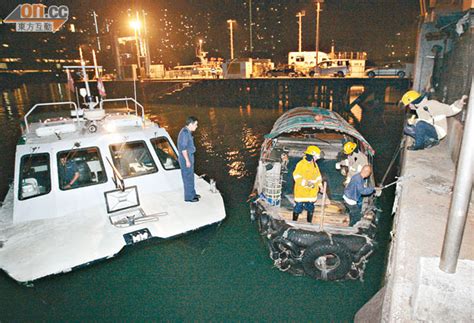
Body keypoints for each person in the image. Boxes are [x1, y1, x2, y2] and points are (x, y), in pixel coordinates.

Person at [401, 90, 467, 150]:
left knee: (420, 124)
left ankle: (419, 145)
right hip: (430, 129)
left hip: (438, 130)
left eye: (409, 104)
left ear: (414, 102)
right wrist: (413, 122)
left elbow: (450, 110)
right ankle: (429, 141)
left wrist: (459, 103)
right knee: (407, 129)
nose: (409, 106)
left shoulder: (432, 104)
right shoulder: (419, 109)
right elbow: (426, 120)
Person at [292, 145, 323, 223]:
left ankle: (309, 222)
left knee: (310, 207)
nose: (316, 159)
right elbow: (297, 177)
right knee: (298, 207)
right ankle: (294, 222)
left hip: (311, 193)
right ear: (311, 156)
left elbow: (318, 176)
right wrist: (308, 184)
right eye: (315, 157)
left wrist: (320, 186)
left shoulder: (315, 165)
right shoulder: (301, 165)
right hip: (301, 192)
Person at [178, 116, 200, 202]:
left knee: (190, 176)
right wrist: (187, 160)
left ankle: (192, 193)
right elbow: (183, 149)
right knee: (187, 177)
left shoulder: (187, 132)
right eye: (195, 124)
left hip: (189, 156)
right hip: (185, 157)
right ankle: (189, 197)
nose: (196, 126)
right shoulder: (185, 133)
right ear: (190, 124)